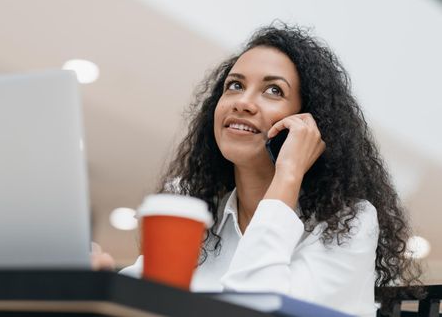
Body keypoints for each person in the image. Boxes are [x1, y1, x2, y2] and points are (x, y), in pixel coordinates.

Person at [115, 22, 422, 316]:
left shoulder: (349, 223)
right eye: (235, 86)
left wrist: (288, 174)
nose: (243, 103)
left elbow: (254, 308)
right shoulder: (204, 220)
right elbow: (134, 296)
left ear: (307, 122)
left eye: (273, 91)